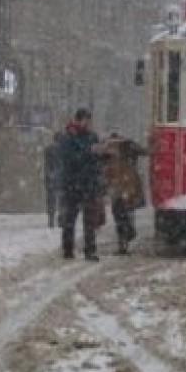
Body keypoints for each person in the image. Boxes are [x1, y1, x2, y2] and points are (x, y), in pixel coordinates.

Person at [60, 108, 106, 261]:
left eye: (89, 120)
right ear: (78, 120)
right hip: (73, 183)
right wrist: (90, 152)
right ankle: (68, 249)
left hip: (89, 184)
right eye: (86, 120)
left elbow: (97, 162)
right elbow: (69, 159)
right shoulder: (69, 137)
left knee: (89, 220)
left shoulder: (92, 136)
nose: (88, 123)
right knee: (70, 218)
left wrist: (101, 154)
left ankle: (90, 250)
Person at [103, 132, 147, 255]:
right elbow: (146, 151)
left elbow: (103, 167)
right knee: (126, 213)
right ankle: (127, 235)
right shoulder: (129, 146)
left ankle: (124, 242)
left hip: (118, 186)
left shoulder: (107, 149)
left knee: (119, 216)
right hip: (128, 185)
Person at [43, 131, 64, 229]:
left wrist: (48, 175)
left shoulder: (48, 149)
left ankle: (51, 218)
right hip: (61, 177)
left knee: (51, 200)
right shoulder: (64, 149)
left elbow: (47, 164)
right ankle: (61, 219)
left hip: (51, 177)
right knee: (61, 200)